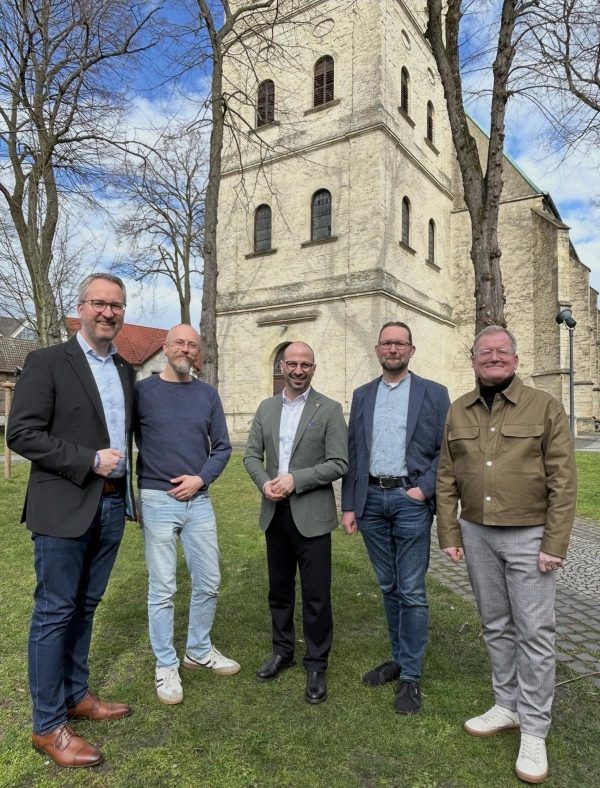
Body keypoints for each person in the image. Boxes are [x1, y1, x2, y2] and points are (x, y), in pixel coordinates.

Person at [436, 325, 576, 784]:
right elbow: (446, 476)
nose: (493, 357)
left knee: (534, 633)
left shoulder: (544, 406)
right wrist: (449, 532)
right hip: (476, 533)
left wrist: (554, 543)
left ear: (515, 359)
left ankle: (534, 729)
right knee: (495, 624)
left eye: (501, 352)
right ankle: (507, 705)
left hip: (529, 536)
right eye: (484, 352)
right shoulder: (458, 410)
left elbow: (563, 481)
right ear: (473, 360)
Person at [7, 273, 135, 769]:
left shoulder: (124, 369)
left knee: (85, 607)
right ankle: (47, 726)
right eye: (99, 303)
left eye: (116, 305)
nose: (107, 312)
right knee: (55, 612)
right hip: (63, 506)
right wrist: (89, 460)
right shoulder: (47, 362)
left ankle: (76, 695)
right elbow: (22, 433)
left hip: (111, 505)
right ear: (80, 308)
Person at [341, 321, 450, 715]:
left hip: (410, 500)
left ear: (411, 350)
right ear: (377, 349)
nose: (392, 349)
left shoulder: (434, 393)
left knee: (412, 590)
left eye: (399, 343)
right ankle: (398, 659)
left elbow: (447, 449)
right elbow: (354, 451)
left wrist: (423, 489)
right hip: (370, 501)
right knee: (388, 586)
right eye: (386, 343)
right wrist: (349, 505)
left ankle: (411, 676)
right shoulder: (363, 394)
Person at [134, 323, 237, 706]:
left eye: (193, 345)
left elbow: (222, 447)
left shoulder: (207, 394)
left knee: (209, 580)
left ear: (199, 353)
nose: (186, 349)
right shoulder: (142, 392)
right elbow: (121, 440)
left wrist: (200, 479)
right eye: (179, 342)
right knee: (162, 588)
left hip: (199, 500)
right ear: (165, 347)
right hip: (157, 499)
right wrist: (133, 497)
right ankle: (165, 664)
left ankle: (198, 649)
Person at [244, 341, 348, 704]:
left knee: (316, 595)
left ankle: (316, 664)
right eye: (292, 364)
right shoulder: (266, 408)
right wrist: (265, 483)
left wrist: (295, 479)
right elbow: (251, 456)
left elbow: (339, 463)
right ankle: (282, 650)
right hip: (275, 514)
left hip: (313, 517)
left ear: (313, 368)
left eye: (305, 365)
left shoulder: (329, 409)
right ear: (282, 367)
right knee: (279, 590)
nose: (298, 370)